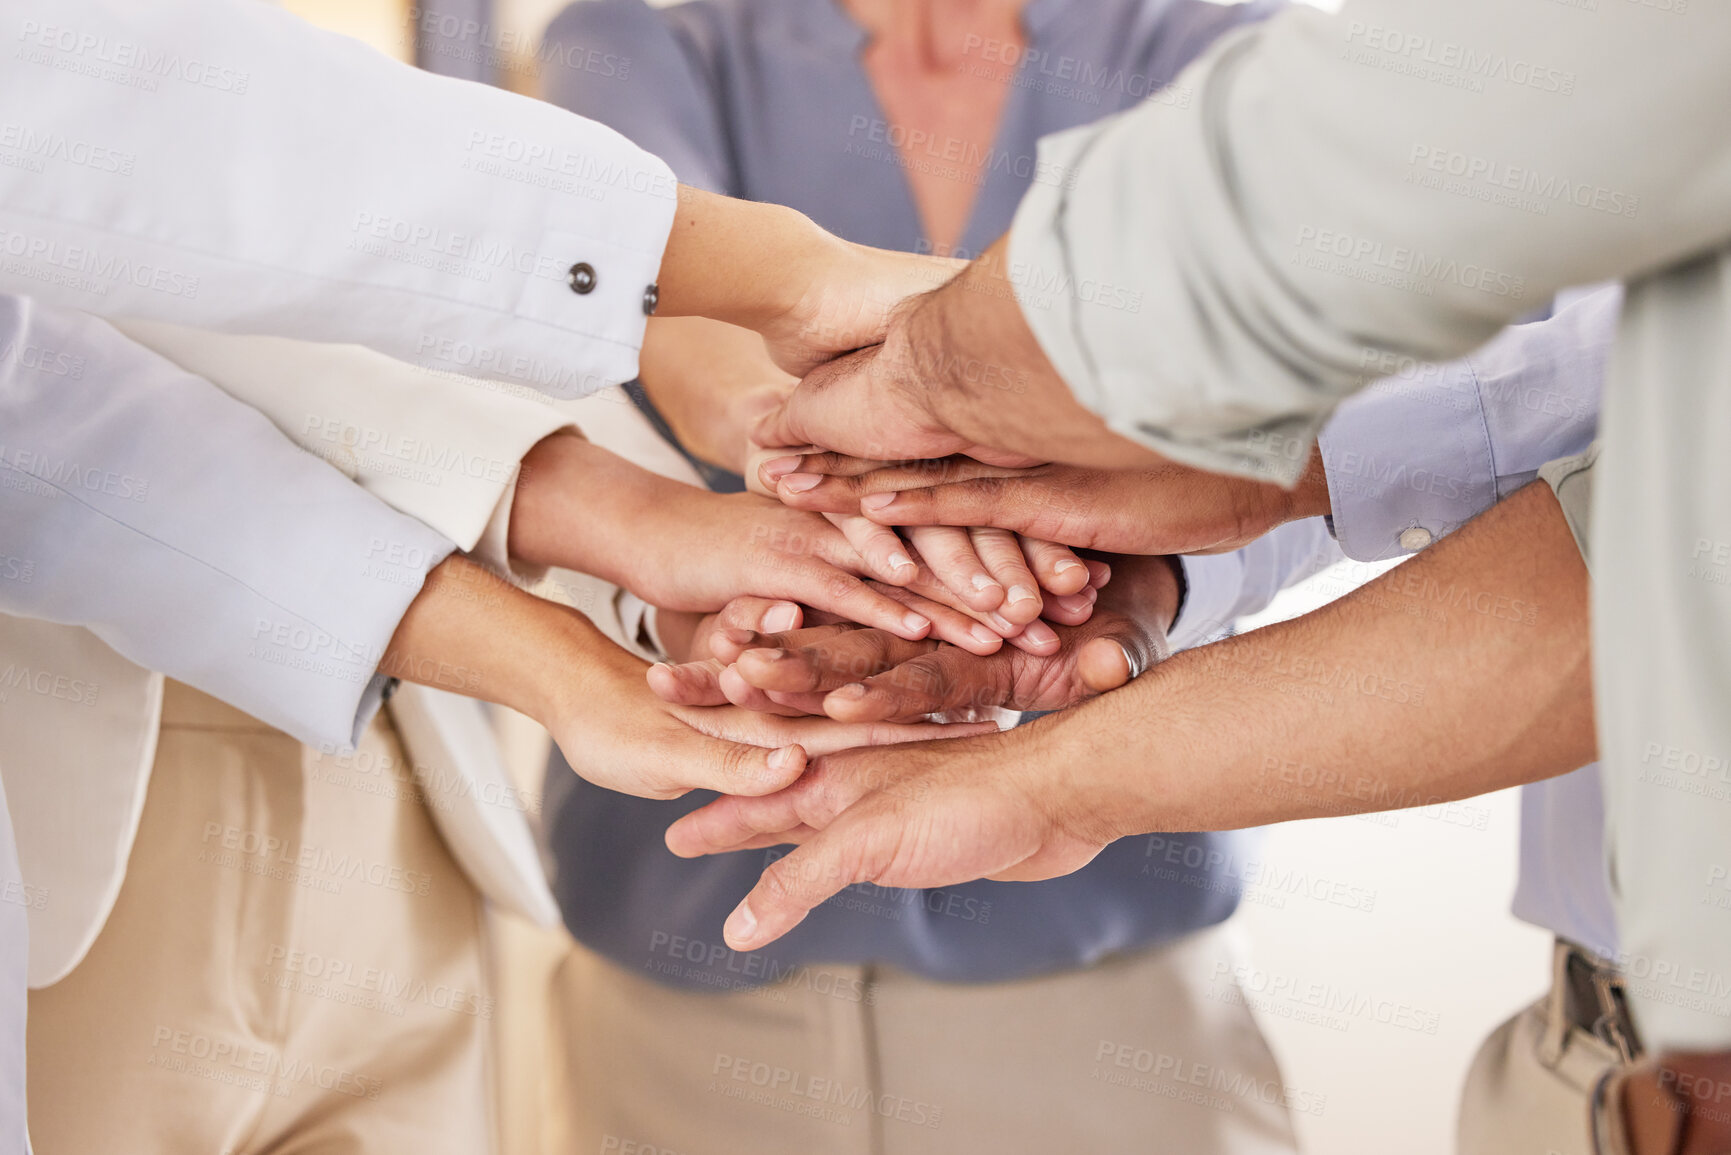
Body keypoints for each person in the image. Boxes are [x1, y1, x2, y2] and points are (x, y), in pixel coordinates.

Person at [698, 0, 1731, 1143]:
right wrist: (1211, 523)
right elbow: (1595, 374)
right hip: (1579, 1057)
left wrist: (945, 370)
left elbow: (1633, 562)